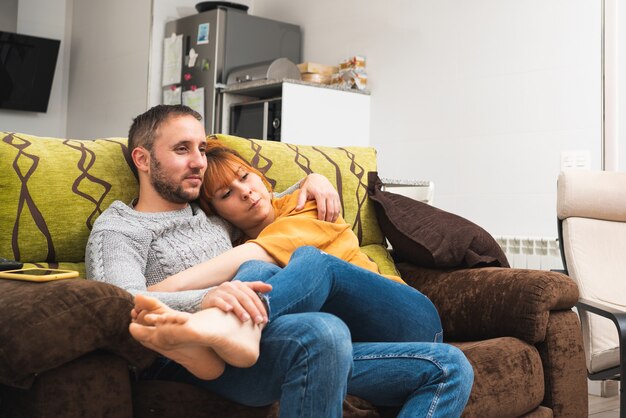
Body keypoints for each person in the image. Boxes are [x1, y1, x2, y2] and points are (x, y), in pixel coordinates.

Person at [87, 105, 474, 417]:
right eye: (182, 149)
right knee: (315, 319)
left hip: (254, 333)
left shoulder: (213, 216)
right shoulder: (118, 230)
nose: (199, 162)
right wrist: (206, 301)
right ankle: (224, 326)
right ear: (142, 158)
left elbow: (264, 200)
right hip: (191, 350)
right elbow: (119, 302)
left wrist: (314, 178)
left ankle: (231, 327)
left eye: (201, 149)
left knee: (446, 364)